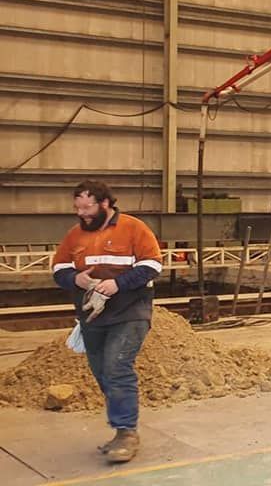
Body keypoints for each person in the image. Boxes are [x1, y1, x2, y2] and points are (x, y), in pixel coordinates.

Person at [51, 181, 162, 464]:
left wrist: (118, 284)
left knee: (116, 366)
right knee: (101, 370)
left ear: (104, 204)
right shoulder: (75, 235)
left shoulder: (134, 228)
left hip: (130, 311)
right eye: (77, 208)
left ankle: (126, 432)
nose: (81, 214)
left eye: (87, 208)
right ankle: (121, 427)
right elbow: (59, 268)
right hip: (92, 314)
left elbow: (152, 265)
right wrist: (75, 279)